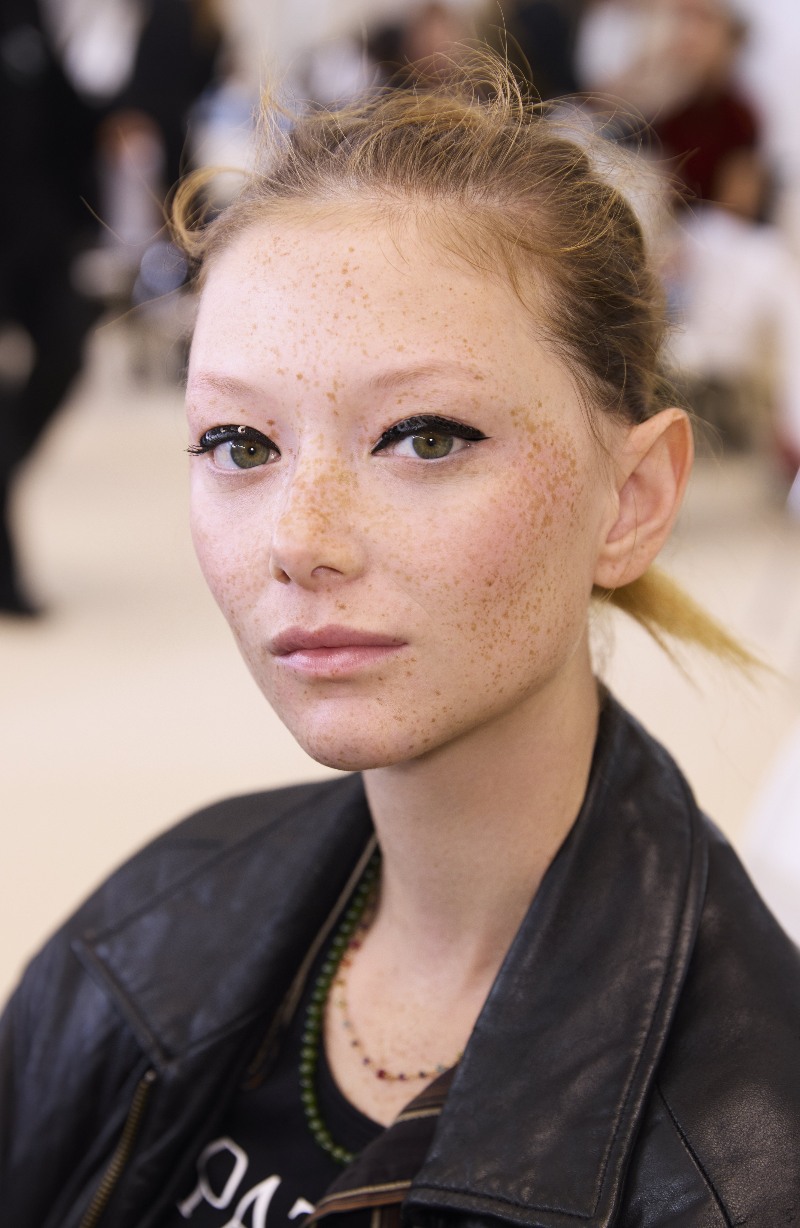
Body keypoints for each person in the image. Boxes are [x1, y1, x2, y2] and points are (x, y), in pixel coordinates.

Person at [2, 52, 799, 1227]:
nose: (300, 540)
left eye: (424, 436)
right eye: (238, 443)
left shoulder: (745, 1153)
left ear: (630, 500)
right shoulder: (145, 927)